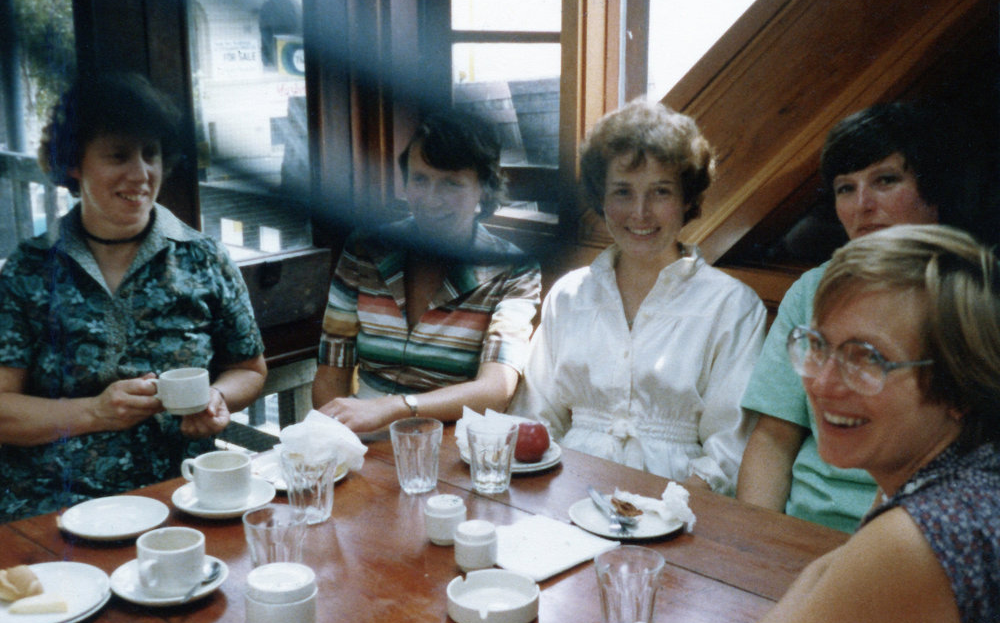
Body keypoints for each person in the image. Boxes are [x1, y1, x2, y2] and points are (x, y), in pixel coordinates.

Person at [735, 224, 1000, 623]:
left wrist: (849, 560)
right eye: (816, 346)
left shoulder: (919, 539)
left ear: (959, 387)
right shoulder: (969, 472)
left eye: (866, 358)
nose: (821, 383)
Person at [0, 72, 267, 522]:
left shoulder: (202, 258)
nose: (141, 174)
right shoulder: (29, 269)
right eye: (118, 155)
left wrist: (218, 399)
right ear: (73, 163)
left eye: (151, 154)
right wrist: (96, 413)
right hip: (53, 505)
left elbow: (248, 368)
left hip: (184, 491)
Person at [737, 101, 978, 531]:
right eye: (845, 188)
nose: (862, 204)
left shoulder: (967, 297)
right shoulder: (811, 290)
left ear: (935, 192)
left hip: (921, 533)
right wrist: (758, 543)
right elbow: (772, 440)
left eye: (885, 180)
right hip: (802, 527)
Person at [509, 99, 766, 494]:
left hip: (678, 505)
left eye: (660, 192)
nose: (640, 213)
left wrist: (665, 514)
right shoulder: (568, 296)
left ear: (687, 201)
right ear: (601, 199)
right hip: (568, 492)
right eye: (623, 192)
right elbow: (536, 419)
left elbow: (730, 447)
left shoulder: (732, 306)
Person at [311, 110, 541, 433]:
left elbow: (495, 390)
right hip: (361, 436)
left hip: (451, 439)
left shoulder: (514, 269)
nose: (432, 200)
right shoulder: (365, 249)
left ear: (484, 190)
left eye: (451, 183)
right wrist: (337, 442)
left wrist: (395, 408)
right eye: (420, 179)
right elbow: (330, 375)